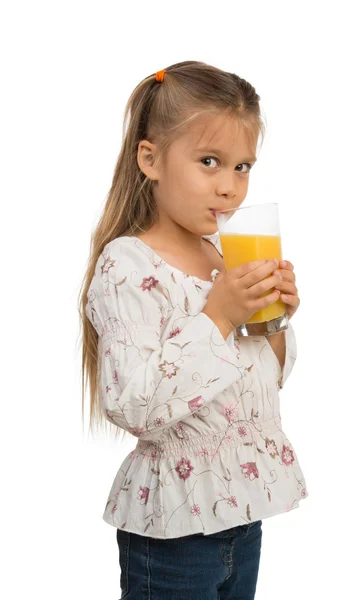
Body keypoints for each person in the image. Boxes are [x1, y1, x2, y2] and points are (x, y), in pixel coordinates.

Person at [79, 60, 308, 600]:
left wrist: (272, 321)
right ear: (151, 159)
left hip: (240, 509)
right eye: (210, 162)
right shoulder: (130, 265)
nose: (230, 188)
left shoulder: (220, 255)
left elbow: (260, 383)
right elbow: (134, 404)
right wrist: (222, 315)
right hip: (174, 530)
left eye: (242, 167)